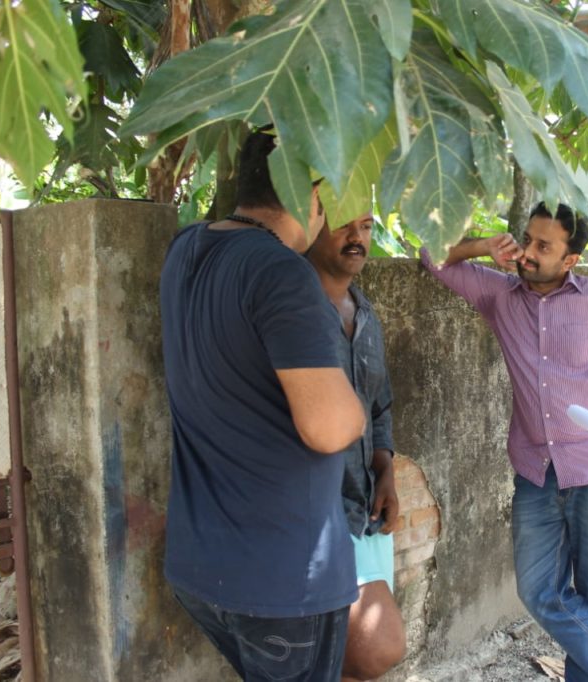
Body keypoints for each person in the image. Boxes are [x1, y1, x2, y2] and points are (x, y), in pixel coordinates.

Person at [421, 202, 588, 682]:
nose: (527, 252)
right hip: (536, 472)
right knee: (538, 591)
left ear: (570, 260)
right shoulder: (499, 295)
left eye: (542, 246)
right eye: (526, 239)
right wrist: (484, 246)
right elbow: (432, 256)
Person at [160, 129, 366, 682]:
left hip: (200, 564)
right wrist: (357, 411)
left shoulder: (187, 249)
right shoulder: (282, 272)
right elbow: (330, 427)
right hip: (282, 576)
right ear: (310, 194)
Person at [306, 211, 407, 681]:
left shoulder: (365, 314)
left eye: (366, 226)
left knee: (349, 664)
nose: (357, 237)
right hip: (313, 513)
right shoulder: (293, 309)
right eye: (344, 224)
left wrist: (384, 472)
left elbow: (378, 407)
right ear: (311, 223)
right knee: (375, 648)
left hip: (362, 510)